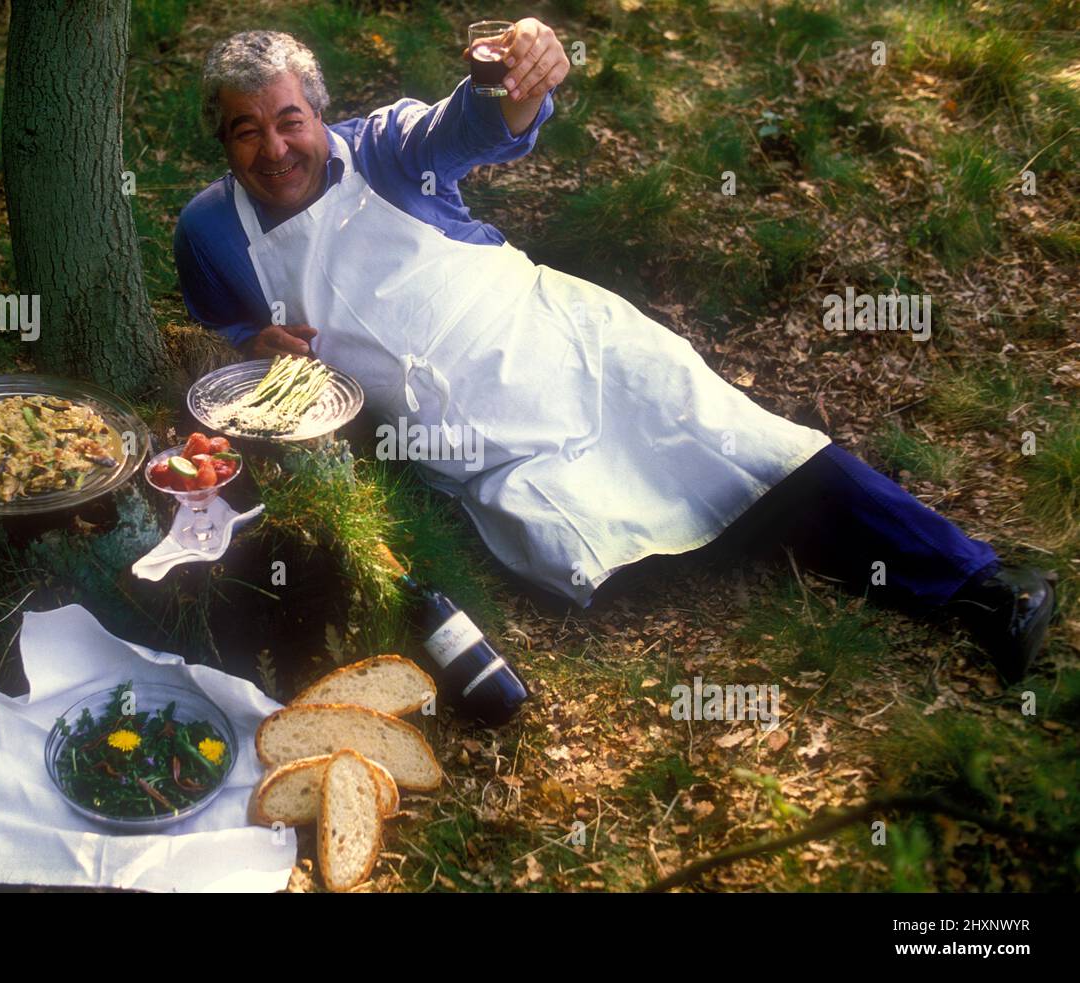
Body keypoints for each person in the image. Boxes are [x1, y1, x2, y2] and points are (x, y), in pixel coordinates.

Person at [172, 23, 1054, 682]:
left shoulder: (391, 148)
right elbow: (226, 322)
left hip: (562, 346)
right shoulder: (210, 230)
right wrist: (257, 341)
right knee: (582, 550)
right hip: (470, 439)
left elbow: (478, 119)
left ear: (322, 112)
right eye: (247, 131)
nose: (275, 147)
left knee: (745, 447)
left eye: (290, 119)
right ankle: (751, 528)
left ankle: (984, 584)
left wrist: (526, 69)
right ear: (221, 141)